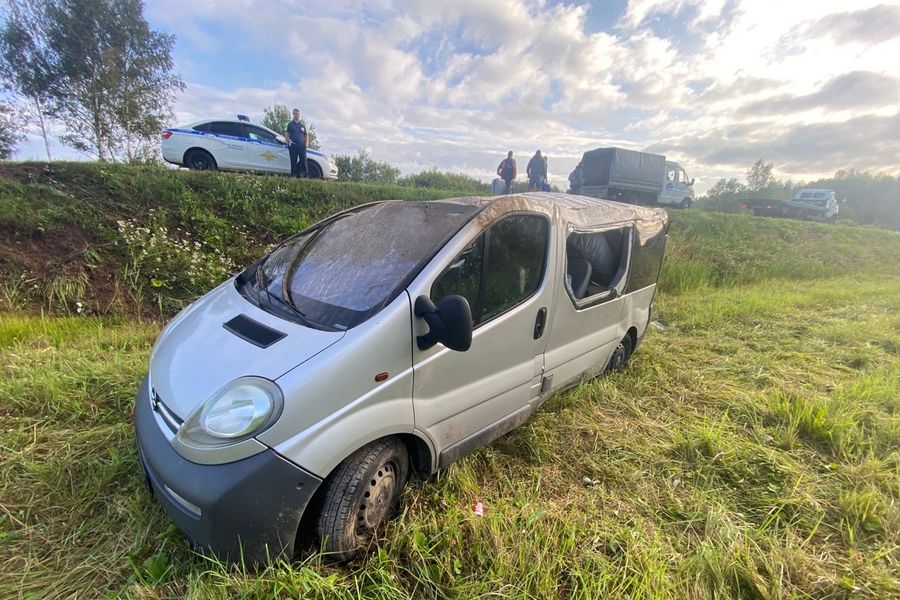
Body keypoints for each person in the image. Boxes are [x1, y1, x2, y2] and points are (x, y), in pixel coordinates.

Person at [284, 108, 308, 178]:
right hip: (293, 146)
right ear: (293, 114)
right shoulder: (289, 124)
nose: (297, 116)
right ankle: (293, 176)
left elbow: (306, 135)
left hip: (302, 146)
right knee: (293, 161)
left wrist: (306, 143)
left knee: (304, 162)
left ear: (299, 115)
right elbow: (286, 133)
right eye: (295, 114)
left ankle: (305, 176)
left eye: (298, 114)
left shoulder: (303, 126)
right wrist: (287, 141)